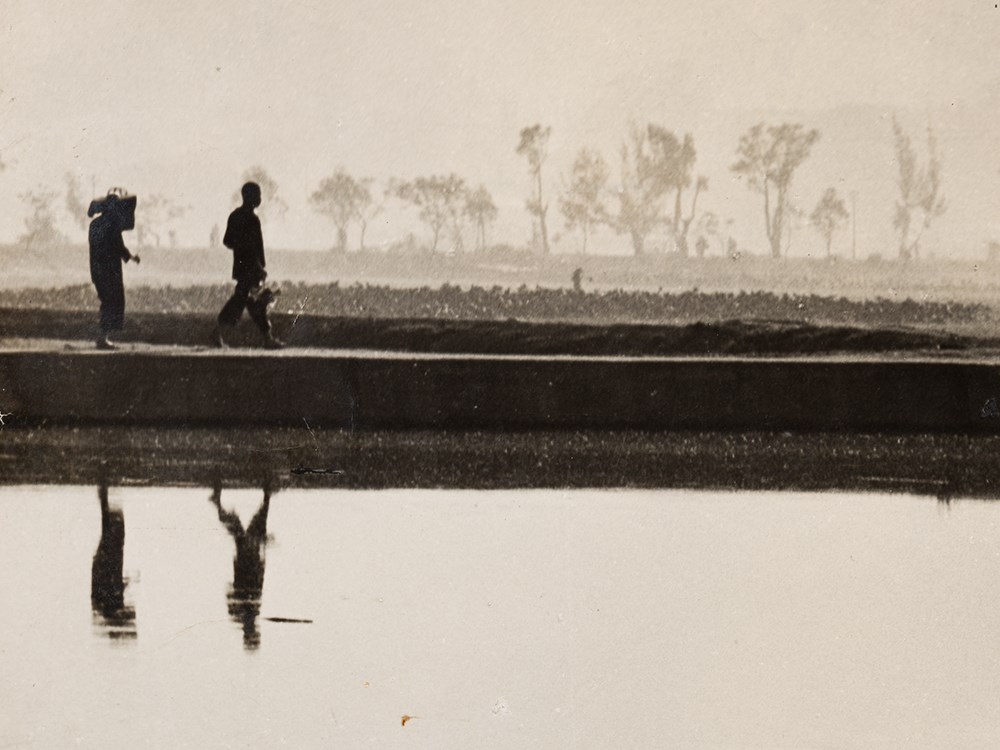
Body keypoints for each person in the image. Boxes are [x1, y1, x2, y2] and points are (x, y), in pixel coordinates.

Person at [213, 182, 283, 348]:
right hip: (251, 268)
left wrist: (241, 248)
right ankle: (267, 339)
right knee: (251, 302)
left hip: (242, 267)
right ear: (250, 197)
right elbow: (254, 247)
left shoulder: (235, 216)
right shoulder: (252, 219)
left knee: (248, 301)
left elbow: (227, 241)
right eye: (257, 195)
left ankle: (218, 333)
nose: (260, 199)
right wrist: (259, 266)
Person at [88, 190, 139, 350]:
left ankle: (103, 337)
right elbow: (118, 246)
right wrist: (130, 257)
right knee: (113, 302)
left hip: (97, 269)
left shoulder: (95, 224)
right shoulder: (112, 225)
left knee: (107, 301)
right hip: (110, 271)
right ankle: (103, 338)